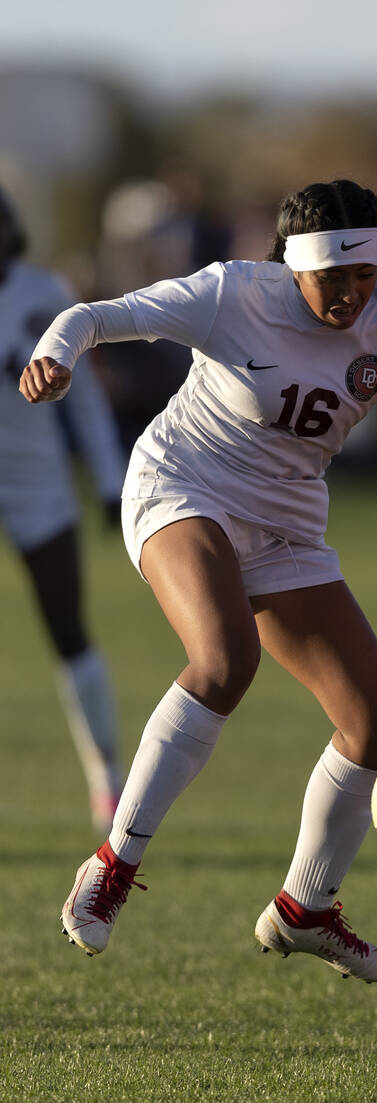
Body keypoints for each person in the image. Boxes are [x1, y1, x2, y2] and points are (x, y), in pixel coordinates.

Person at [21, 179, 377, 984]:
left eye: (363, 276)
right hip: (183, 487)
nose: (351, 295)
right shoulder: (230, 293)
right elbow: (97, 316)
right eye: (333, 281)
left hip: (286, 525)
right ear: (294, 269)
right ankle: (113, 863)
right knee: (224, 661)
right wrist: (54, 354)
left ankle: (303, 910)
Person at [0, 185, 127, 834]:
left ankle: (108, 777)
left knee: (67, 626)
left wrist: (110, 479)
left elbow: (83, 400)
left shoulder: (44, 292)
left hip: (37, 485)